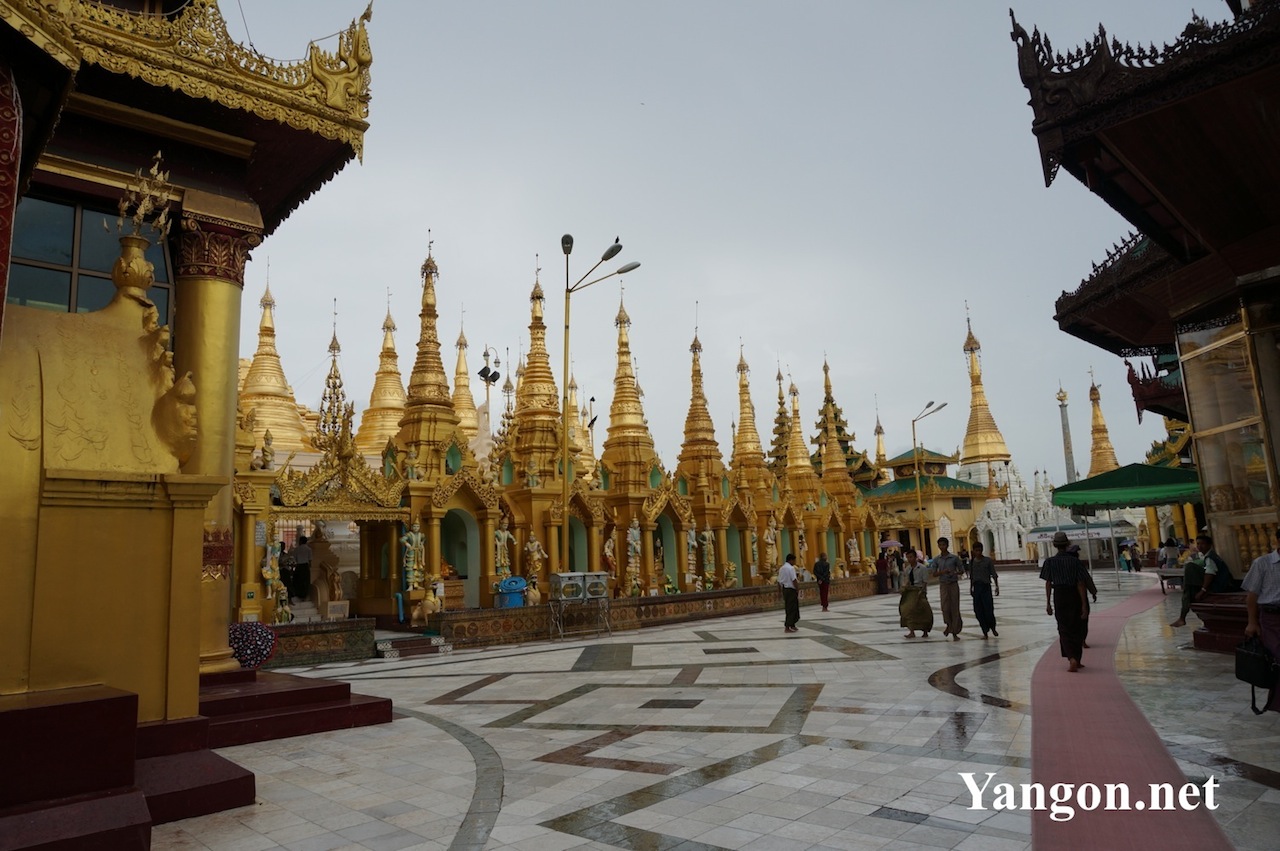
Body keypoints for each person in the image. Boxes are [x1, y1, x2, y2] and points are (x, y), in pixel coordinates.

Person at [1041, 530, 1090, 672]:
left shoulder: (1049, 562)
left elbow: (1048, 583)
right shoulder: (1075, 561)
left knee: (1063, 628)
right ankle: (1077, 658)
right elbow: (1081, 583)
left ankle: (1071, 658)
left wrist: (1048, 603)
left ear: (1054, 545)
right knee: (1077, 626)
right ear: (1067, 544)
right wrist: (1084, 605)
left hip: (1059, 596)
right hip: (1074, 595)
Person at [1243, 527, 1280, 713]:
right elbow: (1252, 596)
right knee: (1277, 659)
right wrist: (1252, 622)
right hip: (1272, 618)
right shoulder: (1263, 563)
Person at [1172, 534, 1232, 627]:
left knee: (1189, 571)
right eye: (1198, 544)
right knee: (1189, 587)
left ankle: (1182, 617)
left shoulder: (1210, 558)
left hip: (1218, 585)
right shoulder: (1209, 556)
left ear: (1209, 545)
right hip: (1218, 583)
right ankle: (1182, 617)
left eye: (1202, 544)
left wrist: (1203, 590)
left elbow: (1210, 574)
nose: (1200, 546)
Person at [932, 536, 964, 640]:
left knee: (954, 607)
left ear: (947, 545)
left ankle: (955, 631)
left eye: (944, 545)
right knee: (945, 607)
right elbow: (934, 574)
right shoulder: (937, 559)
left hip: (953, 584)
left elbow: (961, 570)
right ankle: (948, 624)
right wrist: (942, 572)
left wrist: (955, 573)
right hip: (943, 584)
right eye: (940, 545)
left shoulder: (954, 558)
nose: (942, 547)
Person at [968, 542, 1000, 639]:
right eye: (976, 550)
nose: (978, 552)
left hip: (986, 587)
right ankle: (984, 630)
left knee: (988, 609)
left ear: (982, 550)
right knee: (978, 610)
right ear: (973, 551)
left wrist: (997, 586)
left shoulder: (988, 561)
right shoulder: (972, 562)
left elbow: (994, 574)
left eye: (979, 550)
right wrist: (971, 587)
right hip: (977, 587)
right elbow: (972, 576)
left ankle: (992, 627)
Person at [899, 549, 933, 638]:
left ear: (915, 557)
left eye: (911, 557)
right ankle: (911, 630)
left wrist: (922, 591)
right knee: (908, 610)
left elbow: (925, 581)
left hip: (919, 590)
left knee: (923, 610)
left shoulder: (922, 568)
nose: (909, 559)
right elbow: (906, 580)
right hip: (910, 591)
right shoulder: (907, 569)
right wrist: (903, 588)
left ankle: (925, 630)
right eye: (908, 558)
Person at [778, 553, 801, 632]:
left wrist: (779, 592)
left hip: (785, 589)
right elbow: (794, 579)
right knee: (792, 608)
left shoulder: (781, 568)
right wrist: (797, 589)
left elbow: (779, 581)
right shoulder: (791, 568)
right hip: (791, 590)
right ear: (790, 560)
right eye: (794, 560)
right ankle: (787, 626)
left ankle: (792, 624)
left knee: (789, 607)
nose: (794, 562)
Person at [290, 534, 313, 603]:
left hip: (299, 566)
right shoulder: (309, 549)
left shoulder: (297, 549)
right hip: (305, 566)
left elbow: (294, 559)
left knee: (298, 581)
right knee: (305, 581)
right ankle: (305, 596)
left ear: (300, 541)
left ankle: (298, 595)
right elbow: (310, 560)